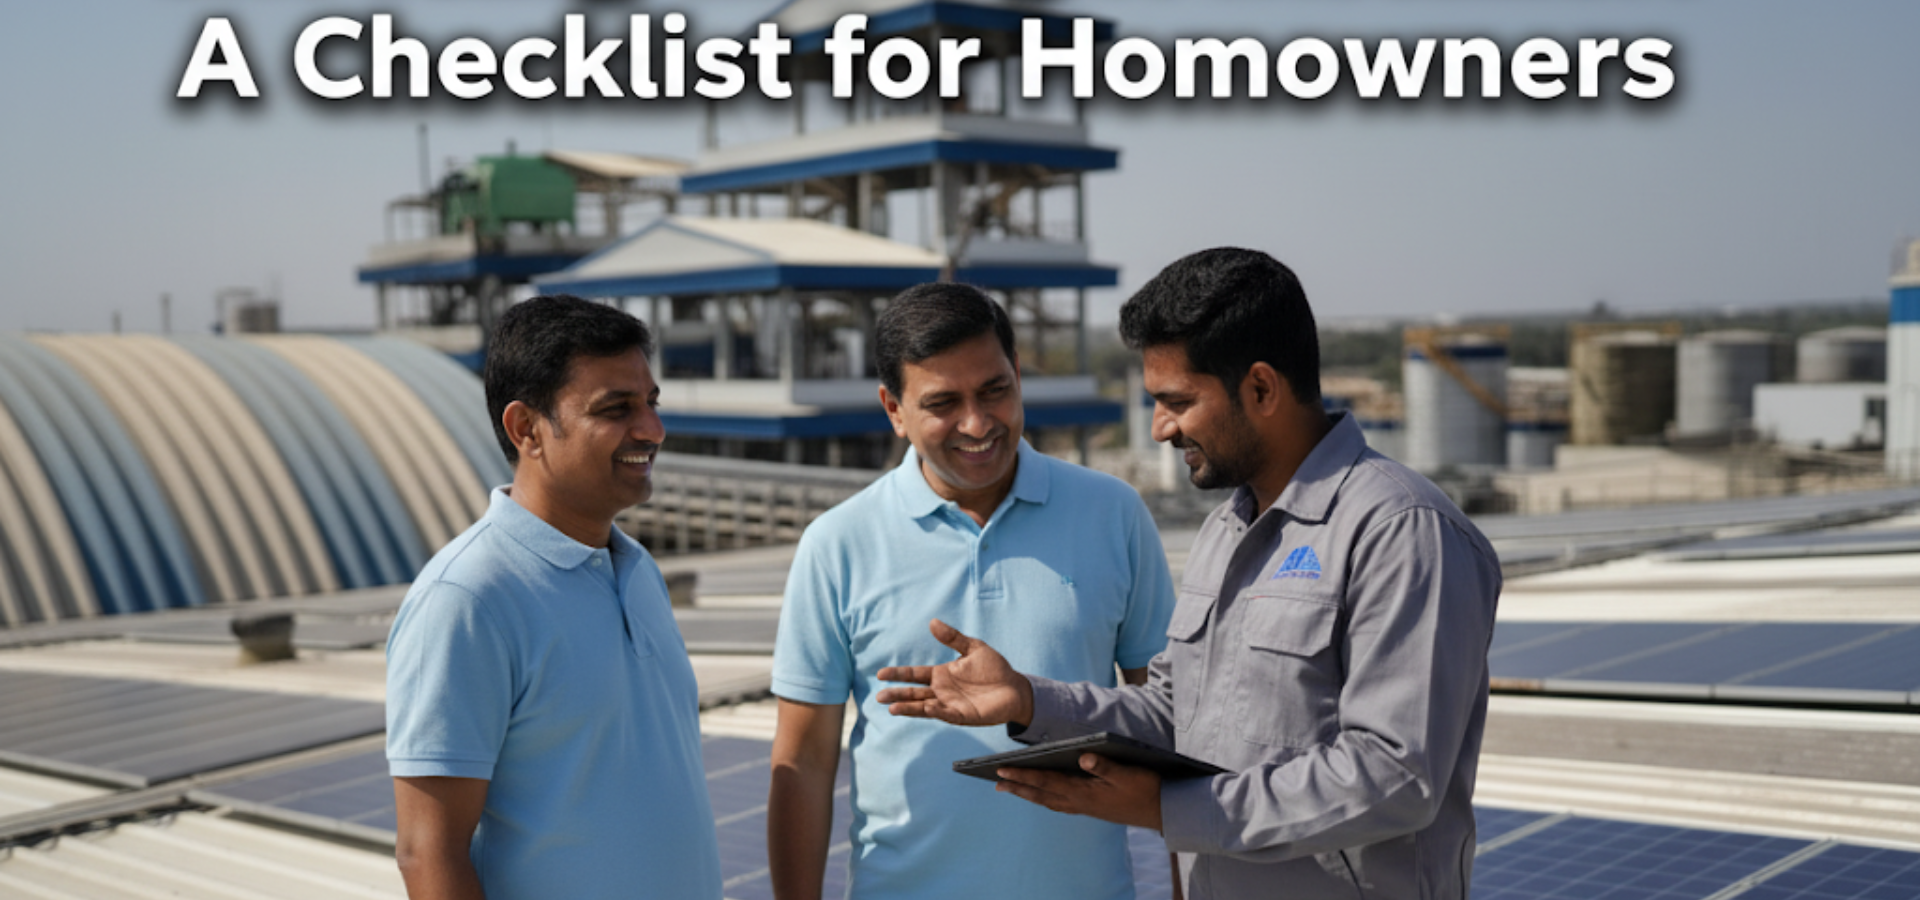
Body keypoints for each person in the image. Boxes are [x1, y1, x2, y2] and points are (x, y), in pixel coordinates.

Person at [876, 249, 1504, 900]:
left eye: (1177, 401)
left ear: (1260, 389)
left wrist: (1170, 811)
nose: (1159, 428)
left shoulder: (1400, 531)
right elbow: (1177, 715)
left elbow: (1396, 778)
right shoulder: (1226, 530)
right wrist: (1032, 702)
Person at [768, 282, 1177, 900]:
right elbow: (803, 763)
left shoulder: (1113, 513)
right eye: (943, 402)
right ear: (893, 410)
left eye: (995, 390)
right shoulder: (837, 543)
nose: (978, 423)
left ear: (1018, 375)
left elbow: (1176, 727)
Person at [385, 294, 722, 900]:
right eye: (616, 409)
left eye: (650, 403)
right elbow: (427, 851)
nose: (652, 429)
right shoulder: (466, 599)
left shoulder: (639, 569)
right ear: (527, 429)